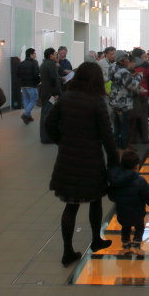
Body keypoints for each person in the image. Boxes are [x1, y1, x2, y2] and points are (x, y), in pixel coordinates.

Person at [45, 62, 119, 266]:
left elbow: (49, 124)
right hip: (91, 158)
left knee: (71, 205)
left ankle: (67, 251)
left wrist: (61, 141)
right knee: (95, 201)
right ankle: (96, 240)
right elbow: (107, 136)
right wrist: (114, 161)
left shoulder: (66, 98)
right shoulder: (96, 101)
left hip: (67, 159)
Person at [108, 149, 149, 255]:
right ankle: (136, 246)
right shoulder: (140, 181)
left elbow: (112, 196)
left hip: (122, 212)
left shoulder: (116, 179)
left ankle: (126, 246)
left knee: (125, 228)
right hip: (137, 213)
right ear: (136, 166)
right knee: (139, 227)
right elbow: (148, 195)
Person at [109, 52, 144, 152]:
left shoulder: (113, 67)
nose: (128, 61)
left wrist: (130, 76)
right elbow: (132, 86)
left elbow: (118, 81)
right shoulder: (124, 71)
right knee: (125, 128)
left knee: (116, 127)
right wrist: (139, 77)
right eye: (127, 59)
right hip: (123, 103)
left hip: (114, 101)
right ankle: (123, 149)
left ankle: (115, 147)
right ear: (122, 60)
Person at [39, 47, 62, 144]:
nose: (56, 55)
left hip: (45, 92)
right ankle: (47, 137)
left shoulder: (43, 64)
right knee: (48, 115)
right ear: (51, 55)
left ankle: (44, 136)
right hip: (50, 94)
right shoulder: (51, 64)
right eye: (55, 53)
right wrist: (56, 93)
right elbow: (53, 79)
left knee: (45, 114)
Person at [17, 47, 40, 124]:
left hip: (23, 85)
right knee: (34, 100)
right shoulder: (34, 63)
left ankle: (28, 117)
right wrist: (38, 82)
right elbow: (36, 75)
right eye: (34, 53)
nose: (35, 54)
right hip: (31, 85)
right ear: (31, 54)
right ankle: (26, 114)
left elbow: (17, 75)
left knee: (26, 100)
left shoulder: (21, 63)